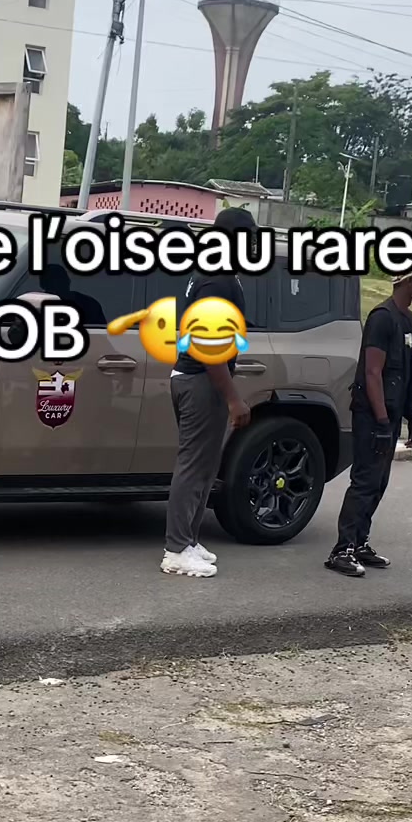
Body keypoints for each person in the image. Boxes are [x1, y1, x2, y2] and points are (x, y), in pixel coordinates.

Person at [161, 205, 255, 580]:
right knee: (193, 466)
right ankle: (175, 550)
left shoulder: (213, 271)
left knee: (205, 466)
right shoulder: (217, 278)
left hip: (199, 379)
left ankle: (189, 540)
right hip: (201, 380)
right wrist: (233, 398)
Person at [327, 266, 412, 578]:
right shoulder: (382, 318)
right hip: (372, 414)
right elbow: (372, 372)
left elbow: (409, 371)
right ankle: (341, 550)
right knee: (365, 481)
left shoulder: (410, 320)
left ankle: (359, 543)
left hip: (392, 413)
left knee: (379, 482)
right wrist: (382, 421)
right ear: (407, 282)